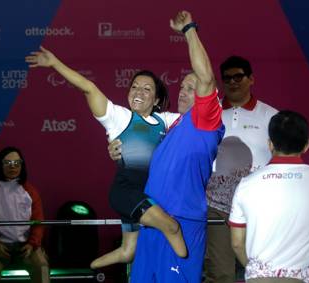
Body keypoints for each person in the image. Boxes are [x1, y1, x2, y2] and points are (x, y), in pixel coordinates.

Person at [25, 46, 188, 268]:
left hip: (148, 193)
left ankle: (96, 264)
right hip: (126, 192)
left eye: (146, 89)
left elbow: (199, 117)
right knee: (172, 227)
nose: (138, 92)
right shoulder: (118, 117)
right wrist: (55, 63)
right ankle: (185, 262)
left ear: (157, 99)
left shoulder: (165, 121)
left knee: (129, 251)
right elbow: (89, 89)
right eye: (134, 87)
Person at [130, 11, 224, 283]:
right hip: (153, 222)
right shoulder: (172, 127)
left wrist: (189, 29)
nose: (183, 91)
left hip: (181, 224)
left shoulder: (206, 121)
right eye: (182, 86)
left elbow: (206, 77)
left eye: (191, 87)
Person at [204, 56, 278, 283]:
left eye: (238, 76)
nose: (233, 82)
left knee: (261, 273)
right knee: (221, 275)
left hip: (258, 207)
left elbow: (282, 158)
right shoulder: (209, 115)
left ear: (251, 79)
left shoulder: (271, 116)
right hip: (216, 207)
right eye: (227, 78)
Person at [229, 110, 309, 283]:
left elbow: (236, 243)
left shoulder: (246, 185)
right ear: (307, 145)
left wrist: (256, 271)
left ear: (270, 144)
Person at [0, 146, 50, 283]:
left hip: (26, 247)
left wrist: (32, 244)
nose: (13, 167)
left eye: (17, 163)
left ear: (22, 165)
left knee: (42, 267)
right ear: (0, 165)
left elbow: (38, 223)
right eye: (8, 163)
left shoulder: (31, 192)